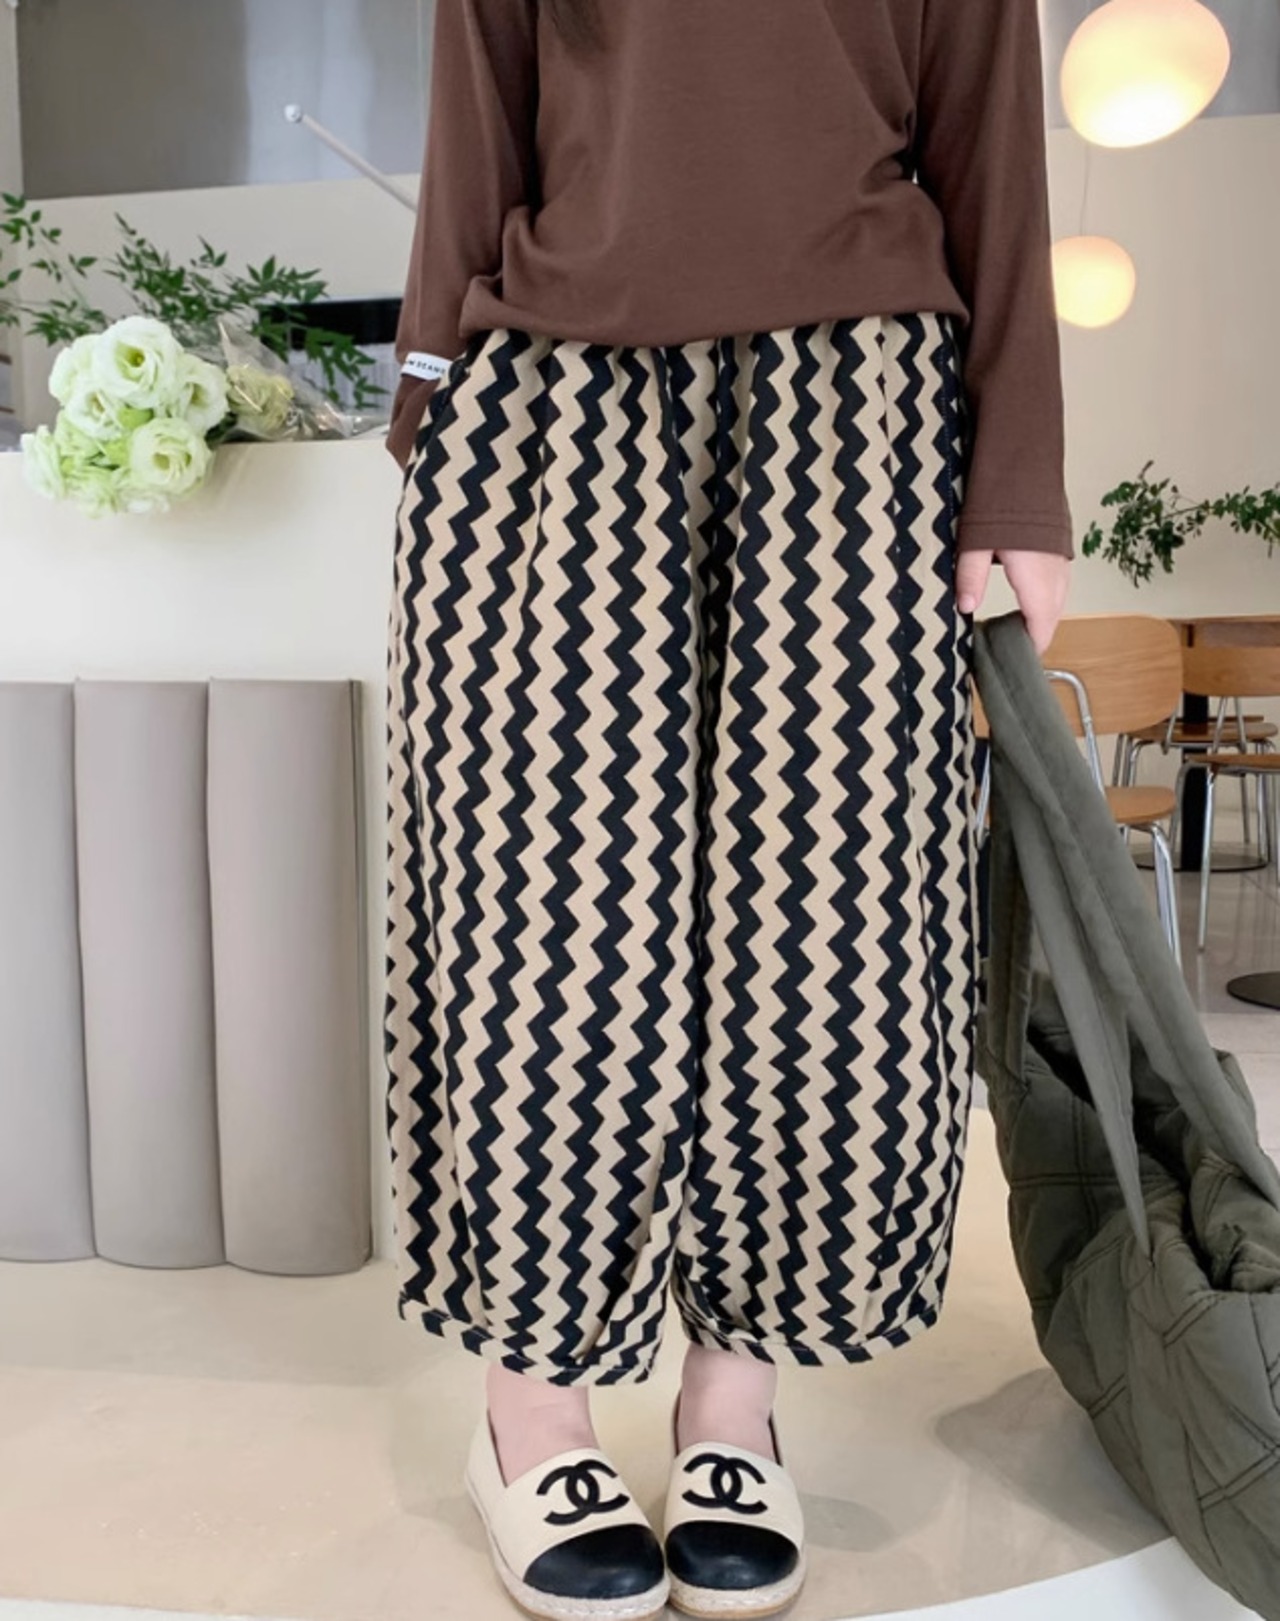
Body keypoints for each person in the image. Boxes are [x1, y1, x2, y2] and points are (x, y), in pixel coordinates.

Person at [384, 2, 1073, 1617]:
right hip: (557, 400)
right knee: (546, 923)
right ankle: (532, 1405)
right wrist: (425, 400)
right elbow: (477, 114)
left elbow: (992, 139)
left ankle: (733, 1397)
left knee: (828, 939)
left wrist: (1022, 476)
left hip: (866, 404)